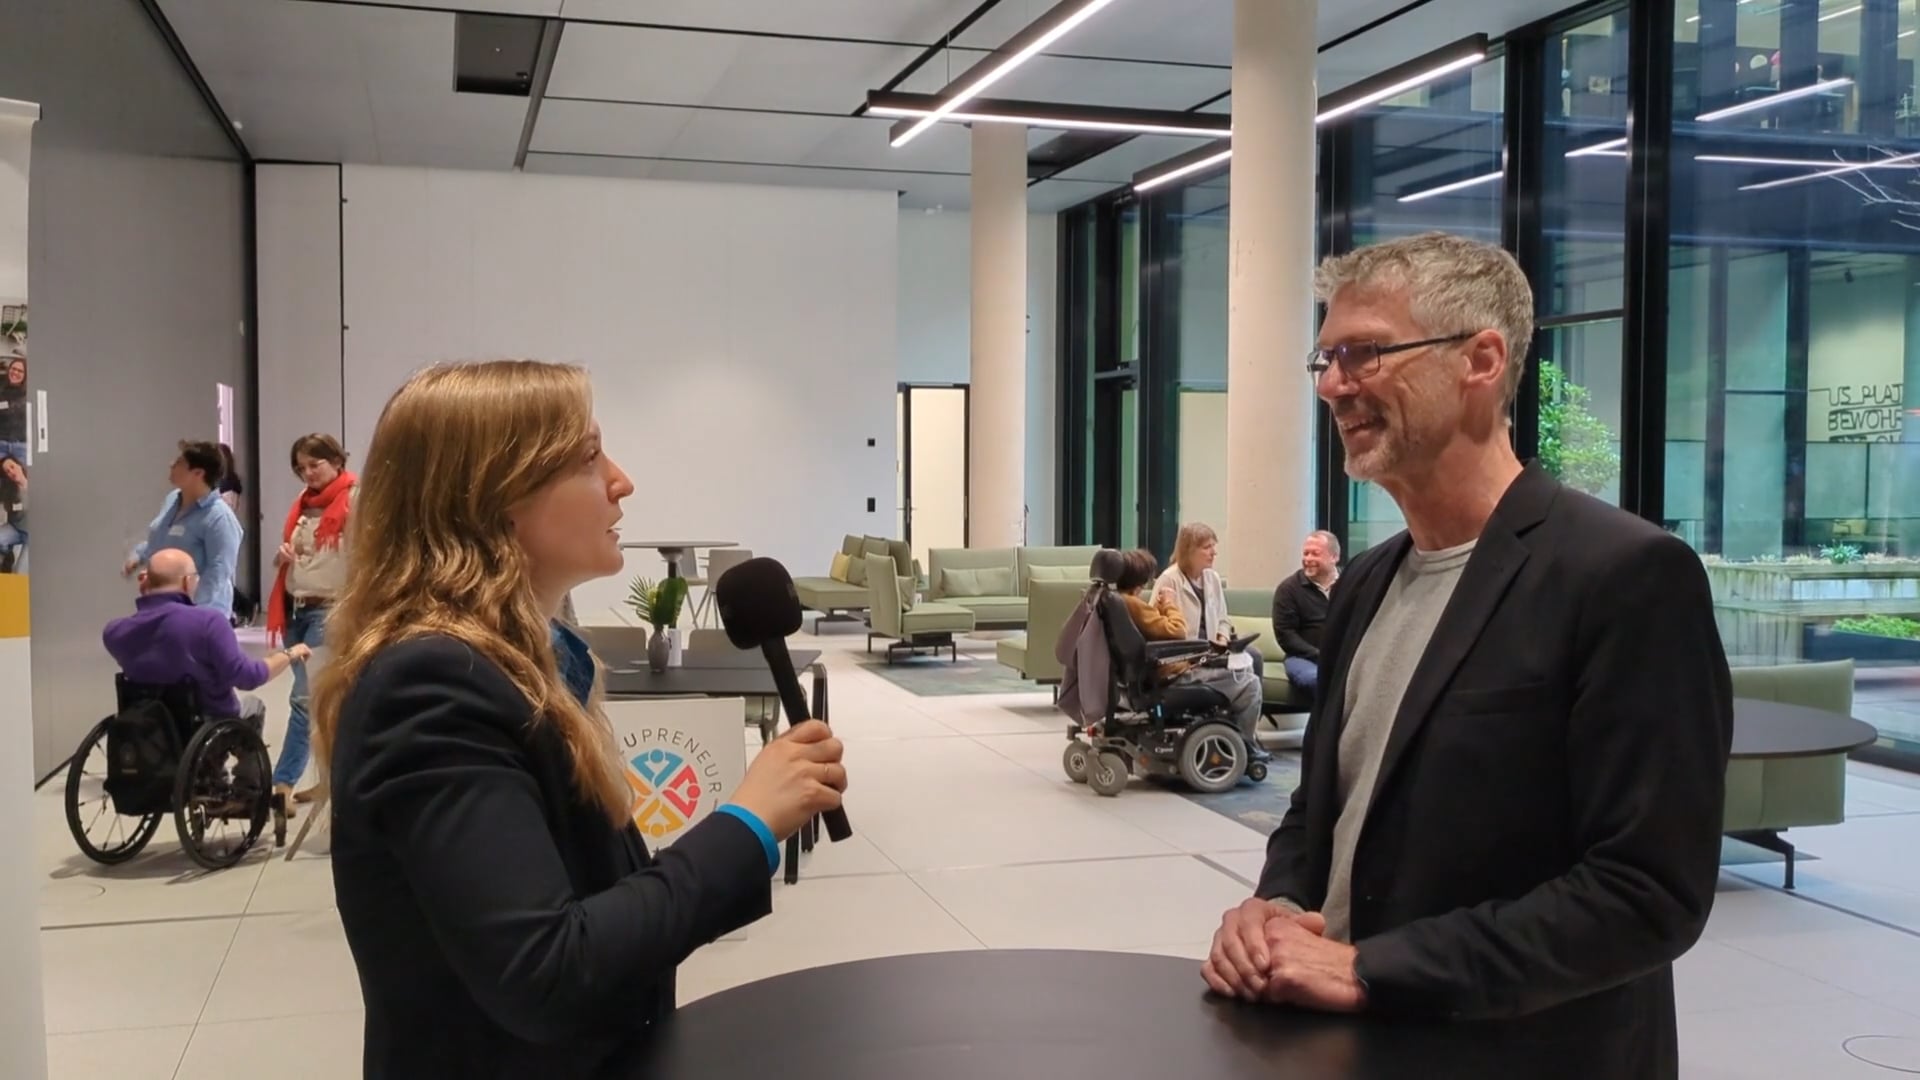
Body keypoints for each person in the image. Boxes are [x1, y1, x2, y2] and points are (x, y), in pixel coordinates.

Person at [1202, 233, 1731, 1079]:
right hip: (1347, 1048)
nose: (1335, 384)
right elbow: (1324, 812)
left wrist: (1376, 969)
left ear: (1481, 360)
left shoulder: (1624, 576)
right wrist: (1275, 910)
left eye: (1364, 353)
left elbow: (1646, 893)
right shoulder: (1369, 584)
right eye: (1327, 358)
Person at [314, 360, 847, 1078]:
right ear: (499, 495)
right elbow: (547, 972)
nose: (621, 481)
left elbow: (589, 909)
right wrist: (748, 824)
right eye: (589, 458)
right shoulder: (434, 684)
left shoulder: (529, 662)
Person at [102, 548, 311, 727]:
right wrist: (288, 654)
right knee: (253, 707)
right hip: (204, 723)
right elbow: (247, 677)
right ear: (187, 582)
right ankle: (244, 774)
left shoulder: (115, 632)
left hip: (150, 729)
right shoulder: (209, 622)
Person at [264, 432, 356, 818]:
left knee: (304, 700)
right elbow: (288, 562)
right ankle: (330, 778)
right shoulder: (302, 506)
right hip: (296, 609)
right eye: (301, 468)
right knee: (324, 703)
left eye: (314, 464)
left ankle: (282, 784)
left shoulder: (355, 500)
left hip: (330, 611)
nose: (308, 474)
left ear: (336, 460)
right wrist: (281, 557)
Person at [1116, 549, 1263, 750]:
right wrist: (1169, 603)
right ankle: (1245, 744)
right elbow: (1178, 631)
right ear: (1141, 578)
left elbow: (1154, 627)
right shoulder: (1133, 604)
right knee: (1250, 683)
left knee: (1243, 668)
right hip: (1171, 675)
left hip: (1153, 673)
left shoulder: (1117, 602)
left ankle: (1231, 735)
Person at [125, 440, 244, 617]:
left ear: (198, 473)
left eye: (179, 462)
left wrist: (190, 605)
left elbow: (218, 572)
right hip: (162, 606)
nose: (171, 465)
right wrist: (139, 555)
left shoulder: (219, 517)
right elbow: (161, 538)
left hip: (200, 614)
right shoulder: (172, 499)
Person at [1271, 530, 1339, 700]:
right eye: (1305, 553)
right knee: (1315, 680)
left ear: (1334, 557)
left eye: (1315, 554)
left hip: (1344, 655)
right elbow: (1286, 636)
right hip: (1303, 658)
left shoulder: (1351, 582)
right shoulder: (1288, 589)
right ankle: (1325, 726)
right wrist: (1320, 655)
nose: (1308, 559)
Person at [0, 455, 25, 574]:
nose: (11, 472)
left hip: (34, 535)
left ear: (19, 465)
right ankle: (7, 555)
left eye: (12, 467)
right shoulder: (9, 490)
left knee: (20, 572)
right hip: (16, 529)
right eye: (7, 472)